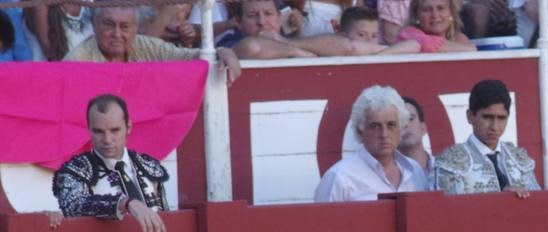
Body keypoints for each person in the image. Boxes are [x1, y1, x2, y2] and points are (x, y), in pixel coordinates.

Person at [52, 94, 171, 232]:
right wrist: (125, 203)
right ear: (89, 129)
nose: (107, 140)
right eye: (98, 131)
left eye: (114, 130)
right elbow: (74, 205)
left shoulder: (149, 167)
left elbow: (167, 217)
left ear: (128, 127)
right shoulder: (74, 171)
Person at [435, 79, 548, 198]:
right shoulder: (451, 161)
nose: (494, 126)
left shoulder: (518, 159)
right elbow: (451, 214)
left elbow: (538, 204)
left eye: (501, 118)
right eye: (487, 117)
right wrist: (502, 200)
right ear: (470, 116)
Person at [66, 5, 242, 83]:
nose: (117, 34)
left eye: (125, 26)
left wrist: (221, 50)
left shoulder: (143, 45)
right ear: (95, 26)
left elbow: (186, 56)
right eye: (108, 24)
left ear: (136, 29)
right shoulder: (77, 60)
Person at [314, 85, 430, 202]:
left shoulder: (415, 171)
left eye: (391, 125)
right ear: (360, 131)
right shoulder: (339, 178)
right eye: (374, 126)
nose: (384, 134)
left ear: (401, 128)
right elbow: (322, 220)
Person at [232, 0, 419, 58]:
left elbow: (346, 44)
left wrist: (286, 42)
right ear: (238, 21)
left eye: (268, 14)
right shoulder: (231, 40)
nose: (262, 21)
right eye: (252, 16)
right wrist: (299, 52)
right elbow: (252, 48)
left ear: (280, 17)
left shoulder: (285, 36)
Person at [398, 0, 476, 52]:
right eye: (427, 9)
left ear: (451, 13)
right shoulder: (408, 33)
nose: (434, 15)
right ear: (416, 15)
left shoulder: (458, 38)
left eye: (440, 8)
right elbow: (425, 43)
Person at [400, 96, 434, 177]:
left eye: (410, 119)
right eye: (399, 120)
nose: (406, 125)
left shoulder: (443, 167)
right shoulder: (389, 176)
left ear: (423, 128)